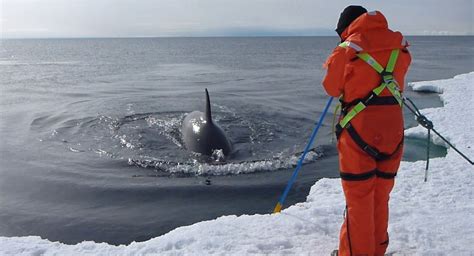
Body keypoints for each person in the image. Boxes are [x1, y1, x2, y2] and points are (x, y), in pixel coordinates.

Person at [322, 6, 411, 256]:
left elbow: (331, 87)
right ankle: (376, 250)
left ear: (345, 28)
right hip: (393, 133)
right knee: (380, 196)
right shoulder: (399, 46)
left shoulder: (346, 50)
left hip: (358, 135)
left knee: (359, 201)